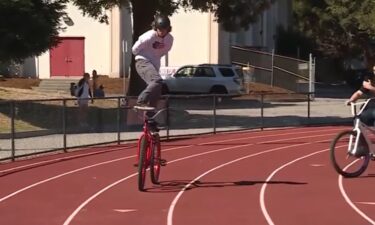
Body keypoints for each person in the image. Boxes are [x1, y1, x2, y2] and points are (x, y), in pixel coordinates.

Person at [132, 14, 174, 112]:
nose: (161, 32)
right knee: (156, 81)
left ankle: (150, 117)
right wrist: (145, 55)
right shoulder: (148, 36)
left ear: (168, 29)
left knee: (157, 89)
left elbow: (164, 52)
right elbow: (134, 49)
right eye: (159, 29)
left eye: (164, 29)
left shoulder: (169, 39)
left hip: (154, 65)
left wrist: (154, 57)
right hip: (142, 61)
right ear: (155, 28)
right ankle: (141, 101)